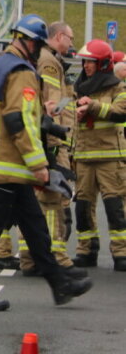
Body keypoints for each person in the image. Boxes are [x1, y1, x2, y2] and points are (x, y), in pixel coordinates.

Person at [0, 14, 91, 311]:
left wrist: (41, 116)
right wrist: (39, 166)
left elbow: (15, 112)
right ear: (30, 42)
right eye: (38, 45)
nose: (38, 51)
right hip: (6, 164)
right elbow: (18, 121)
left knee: (34, 226)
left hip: (2, 163)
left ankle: (59, 283)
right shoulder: (21, 71)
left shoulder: (1, 65)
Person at [17, 21, 87, 278]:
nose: (71, 43)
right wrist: (56, 143)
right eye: (70, 38)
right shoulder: (49, 63)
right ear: (59, 37)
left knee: (37, 202)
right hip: (52, 143)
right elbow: (52, 105)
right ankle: (56, 258)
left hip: (48, 141)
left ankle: (31, 258)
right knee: (52, 200)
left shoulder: (49, 60)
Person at [72, 39, 126, 271]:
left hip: (109, 158)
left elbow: (121, 113)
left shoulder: (118, 88)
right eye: (85, 62)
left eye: (91, 62)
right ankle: (86, 251)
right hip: (84, 157)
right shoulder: (77, 87)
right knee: (83, 207)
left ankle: (121, 253)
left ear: (103, 64)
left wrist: (92, 106)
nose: (86, 66)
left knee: (115, 208)